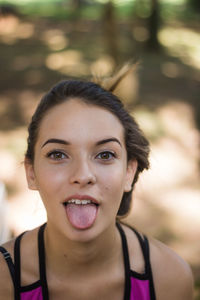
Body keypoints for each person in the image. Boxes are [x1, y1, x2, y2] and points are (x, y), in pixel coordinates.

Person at [0, 71, 193, 300]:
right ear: (31, 173)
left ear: (129, 172)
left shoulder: (169, 278)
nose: (83, 175)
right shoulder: (4, 280)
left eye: (105, 155)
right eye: (58, 154)